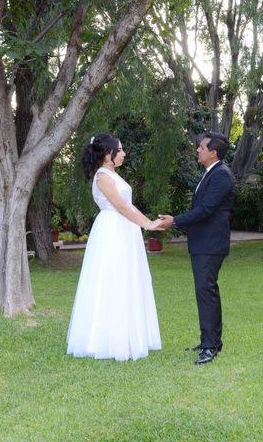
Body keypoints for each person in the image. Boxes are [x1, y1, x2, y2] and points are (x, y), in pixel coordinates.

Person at [66, 134, 163, 361]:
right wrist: (147, 224)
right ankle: (106, 339)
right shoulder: (102, 177)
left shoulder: (112, 175)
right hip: (112, 230)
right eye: (120, 150)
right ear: (108, 154)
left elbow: (129, 206)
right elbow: (120, 207)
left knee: (127, 278)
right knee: (111, 279)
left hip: (125, 229)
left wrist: (149, 222)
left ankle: (128, 334)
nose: (124, 154)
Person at [158, 132, 235, 365]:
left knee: (206, 292)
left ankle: (210, 346)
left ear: (213, 152)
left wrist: (175, 221)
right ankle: (209, 341)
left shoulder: (221, 175)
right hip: (203, 243)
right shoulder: (211, 173)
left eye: (201, 147)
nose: (197, 150)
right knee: (206, 292)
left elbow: (206, 209)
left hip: (210, 245)